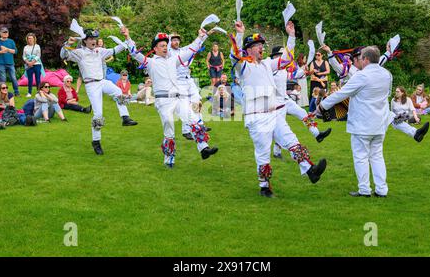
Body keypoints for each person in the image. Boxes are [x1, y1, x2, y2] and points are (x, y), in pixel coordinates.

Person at [230, 20, 327, 198]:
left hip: (274, 113)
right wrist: (239, 34)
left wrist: (291, 36)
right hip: (257, 117)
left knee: (292, 140)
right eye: (257, 45)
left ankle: (310, 171)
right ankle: (264, 186)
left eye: (261, 44)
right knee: (263, 152)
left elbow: (287, 59)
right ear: (248, 49)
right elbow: (234, 56)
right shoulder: (243, 67)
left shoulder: (267, 63)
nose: (261, 47)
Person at [127, 28, 218, 168]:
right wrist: (128, 36)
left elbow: (190, 51)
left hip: (177, 98)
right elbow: (134, 53)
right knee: (169, 128)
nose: (165, 47)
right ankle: (169, 159)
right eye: (162, 46)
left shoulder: (173, 60)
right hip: (163, 101)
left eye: (165, 45)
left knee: (193, 119)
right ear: (155, 49)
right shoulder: (150, 62)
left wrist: (200, 37)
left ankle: (204, 149)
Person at [319, 46, 395, 198]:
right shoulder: (387, 74)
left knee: (361, 157)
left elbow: (342, 93)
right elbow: (387, 94)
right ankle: (381, 190)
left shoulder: (362, 76)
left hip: (362, 124)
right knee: (377, 156)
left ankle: (364, 190)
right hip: (379, 123)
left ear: (366, 59)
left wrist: (323, 105)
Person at [60, 22, 138, 155]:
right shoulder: (79, 53)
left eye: (95, 38)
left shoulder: (99, 51)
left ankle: (125, 118)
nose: (94, 41)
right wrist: (68, 43)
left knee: (119, 91)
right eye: (91, 38)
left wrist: (126, 38)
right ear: (85, 41)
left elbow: (117, 49)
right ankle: (96, 141)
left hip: (102, 81)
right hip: (91, 85)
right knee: (98, 115)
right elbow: (63, 55)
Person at [169, 32, 210, 141]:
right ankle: (186, 130)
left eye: (177, 40)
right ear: (169, 41)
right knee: (185, 105)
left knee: (197, 101)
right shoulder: (168, 53)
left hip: (189, 79)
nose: (176, 42)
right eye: (173, 40)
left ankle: (199, 124)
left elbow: (195, 44)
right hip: (178, 81)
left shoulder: (183, 50)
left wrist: (205, 35)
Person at [0, 27, 19, 96]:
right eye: (3, 32)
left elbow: (15, 51)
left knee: (14, 78)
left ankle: (16, 92)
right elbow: (1, 49)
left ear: (8, 33)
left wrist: (7, 49)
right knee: (3, 79)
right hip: (0, 63)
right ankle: (2, 93)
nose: (5, 33)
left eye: (6, 32)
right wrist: (1, 52)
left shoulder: (11, 41)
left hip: (10, 63)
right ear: (0, 33)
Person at [23, 33, 45, 98]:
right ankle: (29, 92)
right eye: (29, 38)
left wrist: (32, 62)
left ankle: (39, 92)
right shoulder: (25, 47)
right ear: (27, 39)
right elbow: (24, 56)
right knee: (30, 79)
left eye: (31, 38)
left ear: (34, 39)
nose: (30, 40)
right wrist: (27, 62)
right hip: (28, 65)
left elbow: (38, 55)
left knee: (38, 79)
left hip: (37, 64)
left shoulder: (37, 46)